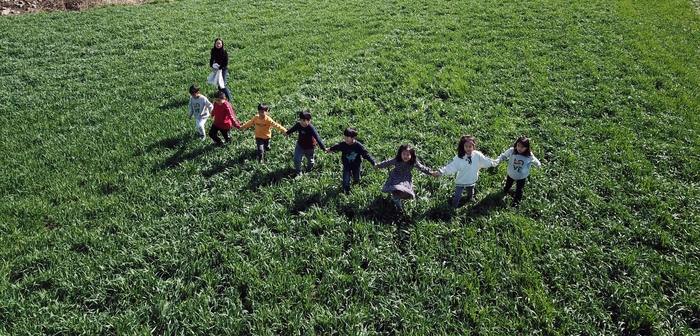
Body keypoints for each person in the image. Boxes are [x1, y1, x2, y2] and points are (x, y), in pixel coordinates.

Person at [432, 134, 498, 207]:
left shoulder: (477, 155)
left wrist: (494, 162)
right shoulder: (459, 157)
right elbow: (450, 166)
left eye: (470, 146)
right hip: (461, 180)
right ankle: (453, 207)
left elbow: (485, 160)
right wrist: (440, 172)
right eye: (466, 146)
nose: (468, 148)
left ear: (473, 146)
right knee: (457, 196)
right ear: (463, 146)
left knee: (470, 193)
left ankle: (469, 200)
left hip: (471, 179)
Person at [376, 145, 435, 210]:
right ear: (400, 153)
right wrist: (378, 165)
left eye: (408, 155)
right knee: (396, 190)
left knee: (404, 191)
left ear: (411, 155)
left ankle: (403, 200)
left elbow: (422, 168)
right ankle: (398, 206)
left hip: (406, 178)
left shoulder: (413, 162)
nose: (405, 156)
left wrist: (431, 172)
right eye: (403, 154)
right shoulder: (397, 160)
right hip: (396, 176)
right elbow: (387, 163)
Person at [326, 127, 377, 194]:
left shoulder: (358, 146)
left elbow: (366, 154)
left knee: (356, 179)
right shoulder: (343, 144)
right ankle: (346, 192)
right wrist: (330, 149)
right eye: (345, 136)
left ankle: (356, 189)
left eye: (348, 137)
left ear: (353, 137)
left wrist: (373, 162)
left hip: (356, 166)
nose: (346, 138)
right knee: (345, 182)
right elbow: (337, 147)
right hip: (346, 166)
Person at [496, 136, 541, 207]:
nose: (519, 148)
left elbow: (535, 160)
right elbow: (504, 156)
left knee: (519, 190)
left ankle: (516, 203)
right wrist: (498, 160)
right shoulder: (512, 151)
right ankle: (506, 191)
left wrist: (538, 165)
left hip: (521, 176)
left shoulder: (529, 156)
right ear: (516, 144)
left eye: (522, 147)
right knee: (508, 184)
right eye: (518, 146)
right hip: (511, 173)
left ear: (526, 148)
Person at [284, 110, 327, 177]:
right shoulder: (298, 125)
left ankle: (309, 169)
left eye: (304, 121)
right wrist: (287, 133)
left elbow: (317, 137)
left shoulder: (311, 128)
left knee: (310, 161)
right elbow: (293, 129)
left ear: (309, 121)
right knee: (296, 159)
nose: (302, 122)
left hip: (309, 147)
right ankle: (299, 172)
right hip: (300, 145)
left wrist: (323, 148)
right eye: (301, 120)